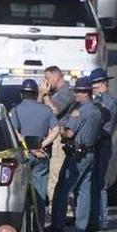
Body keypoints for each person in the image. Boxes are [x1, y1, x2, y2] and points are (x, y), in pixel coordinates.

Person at [49, 77, 103, 232]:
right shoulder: (96, 111)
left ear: (85, 93)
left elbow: (69, 133)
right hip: (90, 153)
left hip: (76, 155)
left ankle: (57, 224)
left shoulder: (79, 112)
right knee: (84, 190)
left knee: (62, 188)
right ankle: (81, 226)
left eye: (78, 91)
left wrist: (59, 129)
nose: (75, 95)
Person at [9, 79, 60, 232]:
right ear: (36, 93)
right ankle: (38, 229)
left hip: (23, 156)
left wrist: (28, 147)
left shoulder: (16, 110)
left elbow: (15, 132)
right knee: (39, 192)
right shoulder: (45, 110)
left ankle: (25, 228)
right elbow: (56, 129)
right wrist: (42, 145)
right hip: (41, 156)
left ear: (21, 94)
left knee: (22, 192)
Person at [39, 66, 75, 202]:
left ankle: (56, 210)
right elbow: (39, 107)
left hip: (60, 137)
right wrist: (41, 93)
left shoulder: (66, 92)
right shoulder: (55, 93)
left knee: (56, 174)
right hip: (52, 136)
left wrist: (46, 96)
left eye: (47, 78)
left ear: (56, 76)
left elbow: (54, 111)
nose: (46, 81)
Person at [88, 69, 117, 230]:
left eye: (95, 84)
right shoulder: (100, 99)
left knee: (99, 183)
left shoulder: (106, 101)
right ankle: (96, 216)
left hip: (102, 143)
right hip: (100, 143)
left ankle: (101, 218)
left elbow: (100, 121)